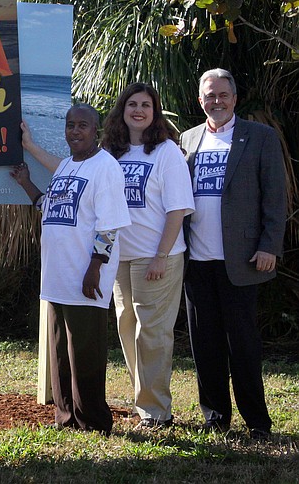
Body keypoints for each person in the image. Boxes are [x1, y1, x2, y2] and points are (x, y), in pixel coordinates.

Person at [23, 84, 195, 430]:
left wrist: (162, 254)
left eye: (146, 105)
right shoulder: (112, 152)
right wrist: (31, 149)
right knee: (128, 331)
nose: (138, 110)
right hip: (122, 259)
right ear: (121, 110)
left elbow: (177, 209)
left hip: (153, 257)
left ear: (155, 111)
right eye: (132, 104)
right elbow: (70, 172)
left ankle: (156, 411)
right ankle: (141, 401)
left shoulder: (166, 152)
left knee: (153, 334)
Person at [180, 68, 286, 440]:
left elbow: (275, 197)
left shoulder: (260, 137)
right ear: (200, 100)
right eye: (210, 95)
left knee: (243, 344)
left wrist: (269, 244)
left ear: (235, 98)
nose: (217, 101)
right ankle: (215, 416)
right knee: (204, 343)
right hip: (196, 261)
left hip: (242, 260)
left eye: (223, 95)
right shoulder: (188, 139)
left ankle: (257, 421)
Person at [12, 104, 130, 434]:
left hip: (85, 277)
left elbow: (110, 227)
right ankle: (66, 417)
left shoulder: (105, 167)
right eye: (69, 125)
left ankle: (93, 421)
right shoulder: (65, 166)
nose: (74, 131)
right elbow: (50, 208)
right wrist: (26, 183)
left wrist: (95, 268)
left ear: (97, 132)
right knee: (61, 354)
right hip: (57, 277)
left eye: (82, 125)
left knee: (86, 355)